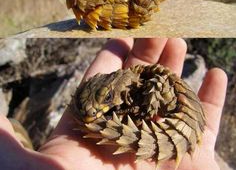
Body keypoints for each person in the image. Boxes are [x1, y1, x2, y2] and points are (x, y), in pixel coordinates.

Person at [0, 38, 228, 170]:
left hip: (182, 123)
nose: (93, 114)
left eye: (109, 100)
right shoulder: (120, 87)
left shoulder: (146, 83)